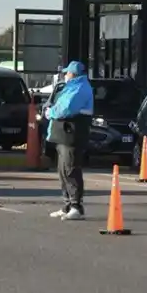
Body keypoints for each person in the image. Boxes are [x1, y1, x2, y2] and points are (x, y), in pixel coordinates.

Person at [45, 61, 94, 221]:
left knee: (71, 169)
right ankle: (67, 205)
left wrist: (50, 112)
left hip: (72, 134)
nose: (65, 75)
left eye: (67, 73)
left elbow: (66, 109)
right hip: (63, 135)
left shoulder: (79, 88)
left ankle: (76, 207)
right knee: (62, 170)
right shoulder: (71, 87)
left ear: (74, 74)